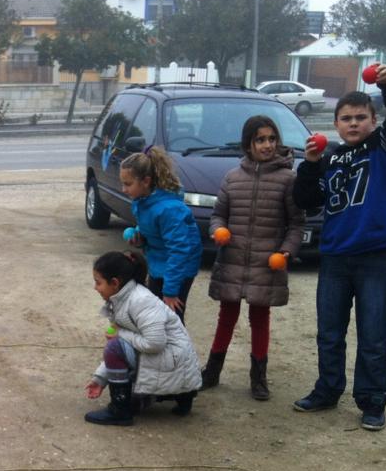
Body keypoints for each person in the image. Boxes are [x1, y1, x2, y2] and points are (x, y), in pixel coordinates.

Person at [292, 63, 386, 431]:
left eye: (361, 117)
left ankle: (372, 401)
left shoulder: (385, 146)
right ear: (336, 124)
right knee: (329, 333)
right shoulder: (329, 157)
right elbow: (306, 200)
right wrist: (310, 164)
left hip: (375, 256)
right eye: (346, 118)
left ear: (374, 121)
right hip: (335, 257)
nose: (354, 123)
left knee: (373, 335)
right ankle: (328, 390)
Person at [200, 116, 306, 400]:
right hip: (232, 259)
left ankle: (259, 377)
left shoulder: (288, 179)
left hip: (266, 263)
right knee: (226, 317)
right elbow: (218, 215)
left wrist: (286, 251)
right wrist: (218, 230)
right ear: (248, 144)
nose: (267, 145)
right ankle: (212, 371)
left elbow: (296, 224)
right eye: (260, 140)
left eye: (272, 139)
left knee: (260, 318)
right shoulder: (232, 178)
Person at [85, 251, 203, 426]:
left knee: (115, 346)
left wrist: (120, 334)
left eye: (98, 282)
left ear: (115, 283)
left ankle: (120, 410)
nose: (95, 288)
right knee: (117, 345)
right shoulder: (121, 299)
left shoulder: (141, 301)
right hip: (171, 361)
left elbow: (155, 343)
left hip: (172, 359)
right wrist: (100, 379)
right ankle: (182, 393)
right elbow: (124, 344)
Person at [120, 148, 203, 322]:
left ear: (146, 181)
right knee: (155, 316)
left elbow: (179, 250)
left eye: (128, 184)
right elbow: (152, 230)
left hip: (179, 270)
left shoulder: (169, 210)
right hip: (159, 263)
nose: (123, 189)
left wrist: (171, 290)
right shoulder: (143, 202)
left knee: (171, 320)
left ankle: (176, 341)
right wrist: (140, 238)